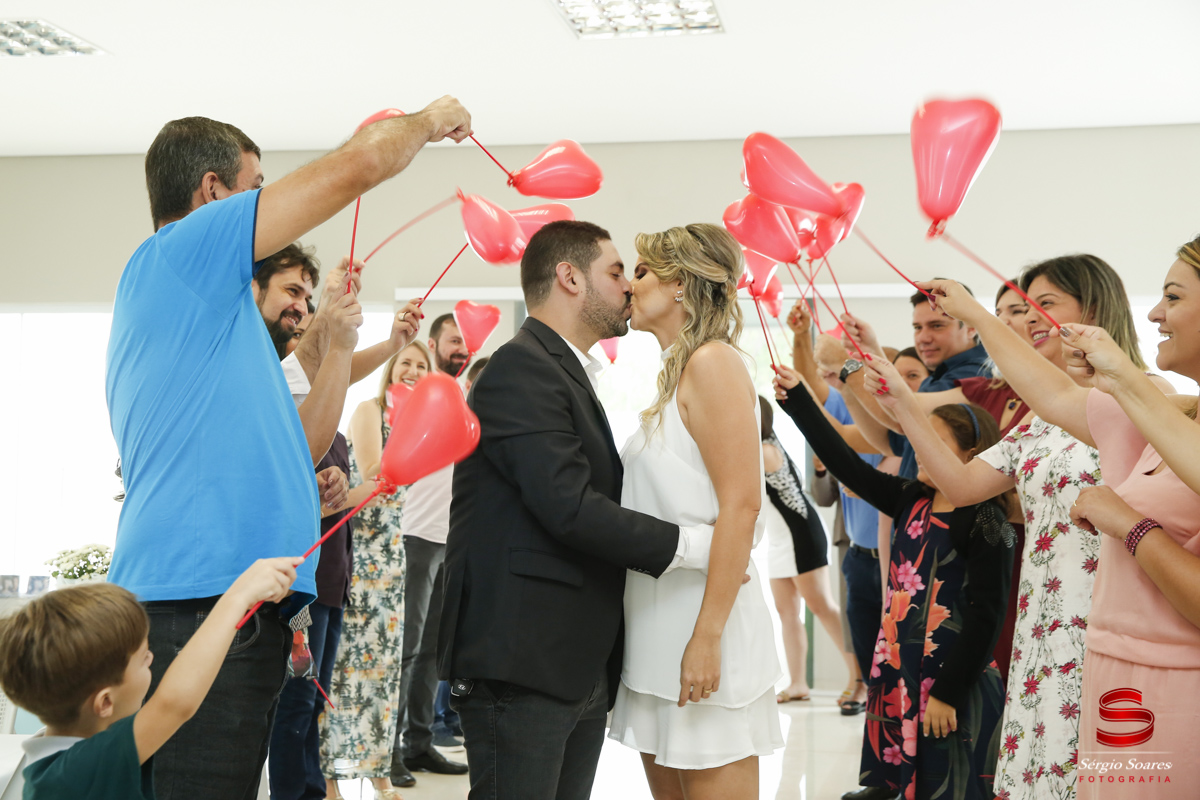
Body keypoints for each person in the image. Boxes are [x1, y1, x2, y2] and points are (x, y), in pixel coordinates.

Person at [105, 98, 471, 798]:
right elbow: (357, 165)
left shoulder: (222, 320)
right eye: (256, 185)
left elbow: (299, 446)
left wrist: (333, 358)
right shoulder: (187, 248)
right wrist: (428, 121)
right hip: (201, 599)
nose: (264, 203)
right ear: (213, 193)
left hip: (238, 601)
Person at [865, 256, 1163, 800]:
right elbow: (960, 485)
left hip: (1111, 619)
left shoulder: (1148, 396)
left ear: (1093, 310)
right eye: (1020, 312)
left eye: (1043, 307)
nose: (1027, 323)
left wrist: (977, 316)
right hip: (1042, 630)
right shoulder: (1038, 417)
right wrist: (902, 402)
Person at [438, 220, 716, 800]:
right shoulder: (521, 367)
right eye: (616, 272)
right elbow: (569, 507)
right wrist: (695, 548)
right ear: (570, 278)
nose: (628, 287)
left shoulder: (566, 369)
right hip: (523, 656)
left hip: (570, 656)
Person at [775, 366, 1015, 800]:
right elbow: (847, 466)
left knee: (949, 782)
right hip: (901, 669)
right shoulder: (911, 498)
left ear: (972, 453)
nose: (920, 454)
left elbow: (988, 614)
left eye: (935, 444)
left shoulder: (985, 519)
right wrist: (798, 402)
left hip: (950, 679)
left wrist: (946, 692)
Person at [606, 225, 782, 800]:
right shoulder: (677, 372)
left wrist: (706, 637)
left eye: (640, 272)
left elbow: (742, 505)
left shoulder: (714, 363)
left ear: (680, 285)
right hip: (659, 621)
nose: (628, 287)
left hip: (702, 624)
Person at [0, 561, 299, 800]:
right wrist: (238, 596)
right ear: (105, 701)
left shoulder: (54, 752)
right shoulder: (80, 768)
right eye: (143, 658)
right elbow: (174, 703)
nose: (152, 658)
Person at [320, 342, 433, 800]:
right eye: (406, 362)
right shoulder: (371, 411)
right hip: (359, 556)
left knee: (385, 673)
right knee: (343, 671)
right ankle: (330, 775)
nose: (412, 370)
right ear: (391, 370)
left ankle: (378, 771)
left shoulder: (422, 428)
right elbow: (372, 475)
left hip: (393, 558)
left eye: (422, 367)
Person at [786, 300, 887, 718]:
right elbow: (808, 384)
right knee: (863, 641)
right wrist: (799, 337)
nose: (835, 374)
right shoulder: (842, 401)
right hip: (859, 549)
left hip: (894, 548)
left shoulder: (880, 403)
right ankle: (874, 714)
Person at [386, 320, 473, 784]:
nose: (462, 347)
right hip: (415, 535)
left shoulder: (463, 395)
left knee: (432, 655)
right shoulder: (416, 397)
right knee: (407, 649)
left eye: (466, 341)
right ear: (436, 344)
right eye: (454, 340)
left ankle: (419, 744)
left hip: (451, 537)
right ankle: (391, 750)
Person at [759, 396, 861, 708]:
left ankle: (860, 678)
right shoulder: (759, 447)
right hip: (780, 539)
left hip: (801, 534)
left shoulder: (763, 451)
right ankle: (799, 683)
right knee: (787, 613)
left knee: (823, 608)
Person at [837, 283, 991, 478]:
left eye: (937, 326)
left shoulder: (976, 374)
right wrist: (870, 350)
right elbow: (891, 441)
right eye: (917, 327)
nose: (923, 337)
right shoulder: (939, 375)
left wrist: (847, 368)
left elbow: (905, 417)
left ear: (970, 328)